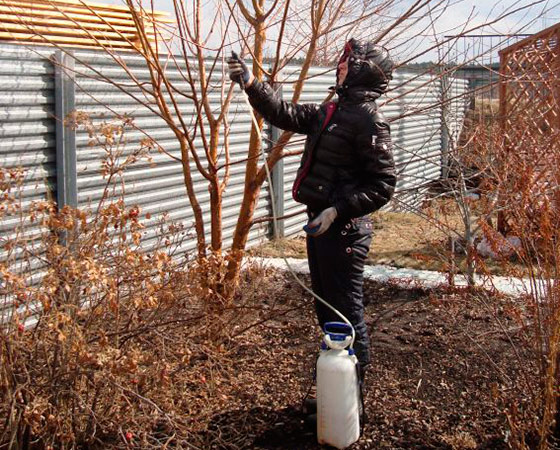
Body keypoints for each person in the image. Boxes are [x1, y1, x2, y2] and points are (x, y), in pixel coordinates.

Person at [227, 39, 396, 372]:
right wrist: (250, 83)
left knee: (346, 313)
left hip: (345, 230)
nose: (341, 66)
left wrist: (337, 210)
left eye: (349, 63)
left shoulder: (369, 120)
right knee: (327, 312)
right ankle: (335, 389)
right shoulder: (331, 111)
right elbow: (284, 113)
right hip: (320, 225)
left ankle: (353, 399)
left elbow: (383, 185)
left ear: (364, 72)